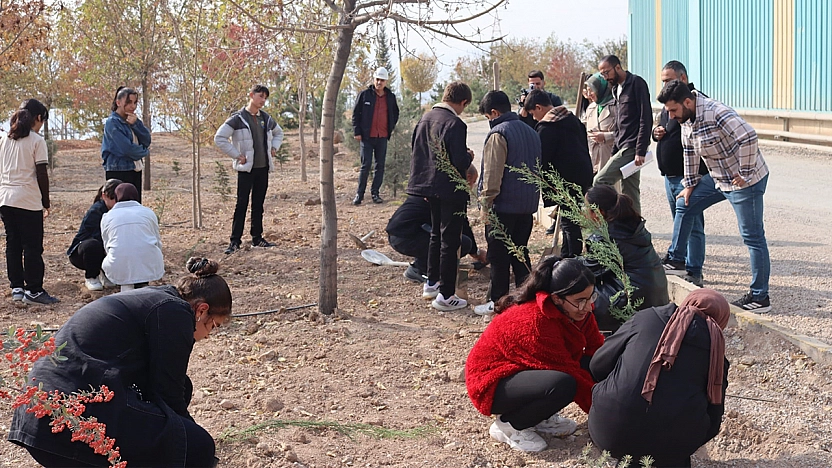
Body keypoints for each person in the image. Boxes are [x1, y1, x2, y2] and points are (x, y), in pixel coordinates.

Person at [9, 257, 231, 467]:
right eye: (214, 326)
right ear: (202, 310)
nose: (208, 335)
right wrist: (193, 443)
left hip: (38, 415)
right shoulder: (176, 312)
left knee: (185, 393)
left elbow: (170, 387)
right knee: (198, 447)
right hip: (68, 418)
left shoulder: (154, 299)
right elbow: (168, 392)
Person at [465, 256, 604, 452]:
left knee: (593, 363)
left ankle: (540, 418)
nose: (588, 306)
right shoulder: (536, 322)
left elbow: (597, 349)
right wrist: (607, 414)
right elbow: (568, 371)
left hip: (525, 370)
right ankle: (509, 425)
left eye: (591, 297)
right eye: (581, 301)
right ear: (556, 298)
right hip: (491, 381)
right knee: (563, 385)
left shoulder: (576, 310)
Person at [658, 80, 772, 313]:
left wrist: (745, 172)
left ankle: (760, 297)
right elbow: (689, 153)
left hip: (744, 181)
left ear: (687, 102)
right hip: (719, 178)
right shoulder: (686, 119)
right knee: (685, 203)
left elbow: (749, 137)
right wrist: (689, 185)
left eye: (673, 110)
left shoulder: (716, 112)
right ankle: (677, 260)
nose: (670, 116)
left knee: (752, 237)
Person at [588, 288, 731, 467]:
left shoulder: (646, 318)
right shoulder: (717, 356)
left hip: (608, 433)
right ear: (721, 321)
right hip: (671, 450)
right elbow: (714, 418)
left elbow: (597, 366)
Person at [407, 81, 473, 311]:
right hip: (449, 189)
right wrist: (469, 157)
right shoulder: (455, 124)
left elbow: (416, 151)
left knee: (435, 234)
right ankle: (446, 295)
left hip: (426, 185)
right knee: (450, 239)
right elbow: (458, 162)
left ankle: (431, 282)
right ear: (463, 102)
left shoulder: (425, 118)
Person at [474, 90, 541, 315]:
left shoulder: (498, 134)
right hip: (526, 207)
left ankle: (498, 305)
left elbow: (492, 176)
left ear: (494, 112)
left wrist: (485, 206)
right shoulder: (531, 132)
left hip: (503, 208)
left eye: (487, 117)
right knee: (520, 255)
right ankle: (528, 303)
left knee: (499, 258)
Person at [653, 61, 709, 288]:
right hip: (670, 175)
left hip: (690, 176)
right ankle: (680, 262)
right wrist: (656, 132)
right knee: (680, 222)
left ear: (683, 78)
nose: (665, 84)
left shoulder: (696, 102)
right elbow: (662, 126)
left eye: (669, 80)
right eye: (663, 80)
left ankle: (694, 271)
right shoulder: (668, 102)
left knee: (693, 223)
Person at [585, 184, 669, 330]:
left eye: (586, 208)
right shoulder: (633, 225)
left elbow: (586, 272)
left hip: (633, 301)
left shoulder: (605, 238)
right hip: (657, 298)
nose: (583, 212)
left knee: (576, 296)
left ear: (599, 212)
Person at [0, 99, 59, 305]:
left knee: (13, 244)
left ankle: (17, 288)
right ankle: (34, 290)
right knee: (32, 246)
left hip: (6, 199)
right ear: (39, 118)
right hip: (27, 199)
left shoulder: (5, 139)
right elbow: (41, 174)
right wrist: (46, 201)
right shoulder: (36, 140)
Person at [214, 84, 284, 254]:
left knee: (258, 204)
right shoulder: (237, 118)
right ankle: (234, 242)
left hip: (263, 168)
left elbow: (279, 133)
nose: (263, 101)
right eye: (260, 96)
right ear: (251, 95)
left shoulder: (266, 118)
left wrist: (274, 147)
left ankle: (257, 238)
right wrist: (237, 155)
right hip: (246, 169)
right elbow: (219, 138)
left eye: (265, 98)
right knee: (241, 204)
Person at [523, 89, 594, 257]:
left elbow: (542, 159)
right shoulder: (572, 120)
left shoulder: (547, 127)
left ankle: (573, 257)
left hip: (563, 180)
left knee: (570, 222)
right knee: (570, 217)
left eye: (533, 114)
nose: (534, 118)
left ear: (539, 107)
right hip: (582, 175)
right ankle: (566, 253)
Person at [594, 55, 652, 212]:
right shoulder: (615, 89)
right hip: (621, 146)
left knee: (600, 181)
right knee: (630, 192)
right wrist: (614, 150)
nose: (605, 77)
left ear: (617, 67)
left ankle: (608, 222)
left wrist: (640, 150)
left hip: (632, 148)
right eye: (602, 75)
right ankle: (635, 230)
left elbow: (645, 118)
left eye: (607, 72)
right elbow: (620, 122)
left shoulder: (636, 83)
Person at [386, 194, 486, 283]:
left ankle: (430, 265)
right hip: (405, 238)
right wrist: (475, 252)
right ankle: (420, 269)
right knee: (462, 243)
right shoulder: (451, 194)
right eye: (473, 181)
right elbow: (461, 223)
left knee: (449, 239)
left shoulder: (433, 189)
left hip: (400, 235)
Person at [101, 183, 164, 292]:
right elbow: (157, 241)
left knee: (125, 277)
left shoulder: (108, 216)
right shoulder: (148, 213)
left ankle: (126, 290)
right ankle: (143, 285)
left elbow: (107, 246)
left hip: (118, 266)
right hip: (149, 264)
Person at [351, 67, 400, 205]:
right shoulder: (364, 95)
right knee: (365, 165)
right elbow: (355, 114)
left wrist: (390, 127)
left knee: (380, 166)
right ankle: (359, 195)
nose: (379, 82)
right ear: (374, 80)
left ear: (386, 82)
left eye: (382, 80)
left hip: (382, 137)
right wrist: (357, 131)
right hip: (366, 137)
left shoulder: (390, 97)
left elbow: (395, 113)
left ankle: (375, 194)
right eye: (377, 79)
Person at [67, 179, 123, 291]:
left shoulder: (122, 211)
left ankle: (107, 273)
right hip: (84, 252)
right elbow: (96, 235)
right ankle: (92, 276)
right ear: (104, 196)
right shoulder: (96, 211)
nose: (116, 203)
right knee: (94, 245)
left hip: (108, 248)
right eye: (113, 198)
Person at [101, 86, 151, 203]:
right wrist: (145, 151)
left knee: (135, 206)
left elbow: (147, 139)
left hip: (135, 169)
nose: (132, 106)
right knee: (119, 206)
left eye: (135, 103)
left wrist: (135, 124)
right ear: (118, 102)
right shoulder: (112, 122)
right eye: (128, 102)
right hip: (119, 171)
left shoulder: (132, 120)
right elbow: (126, 149)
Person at [581, 73, 616, 175]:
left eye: (592, 90)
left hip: (610, 158)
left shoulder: (617, 106)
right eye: (587, 90)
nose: (589, 93)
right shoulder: (591, 108)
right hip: (593, 160)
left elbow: (625, 133)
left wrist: (606, 136)